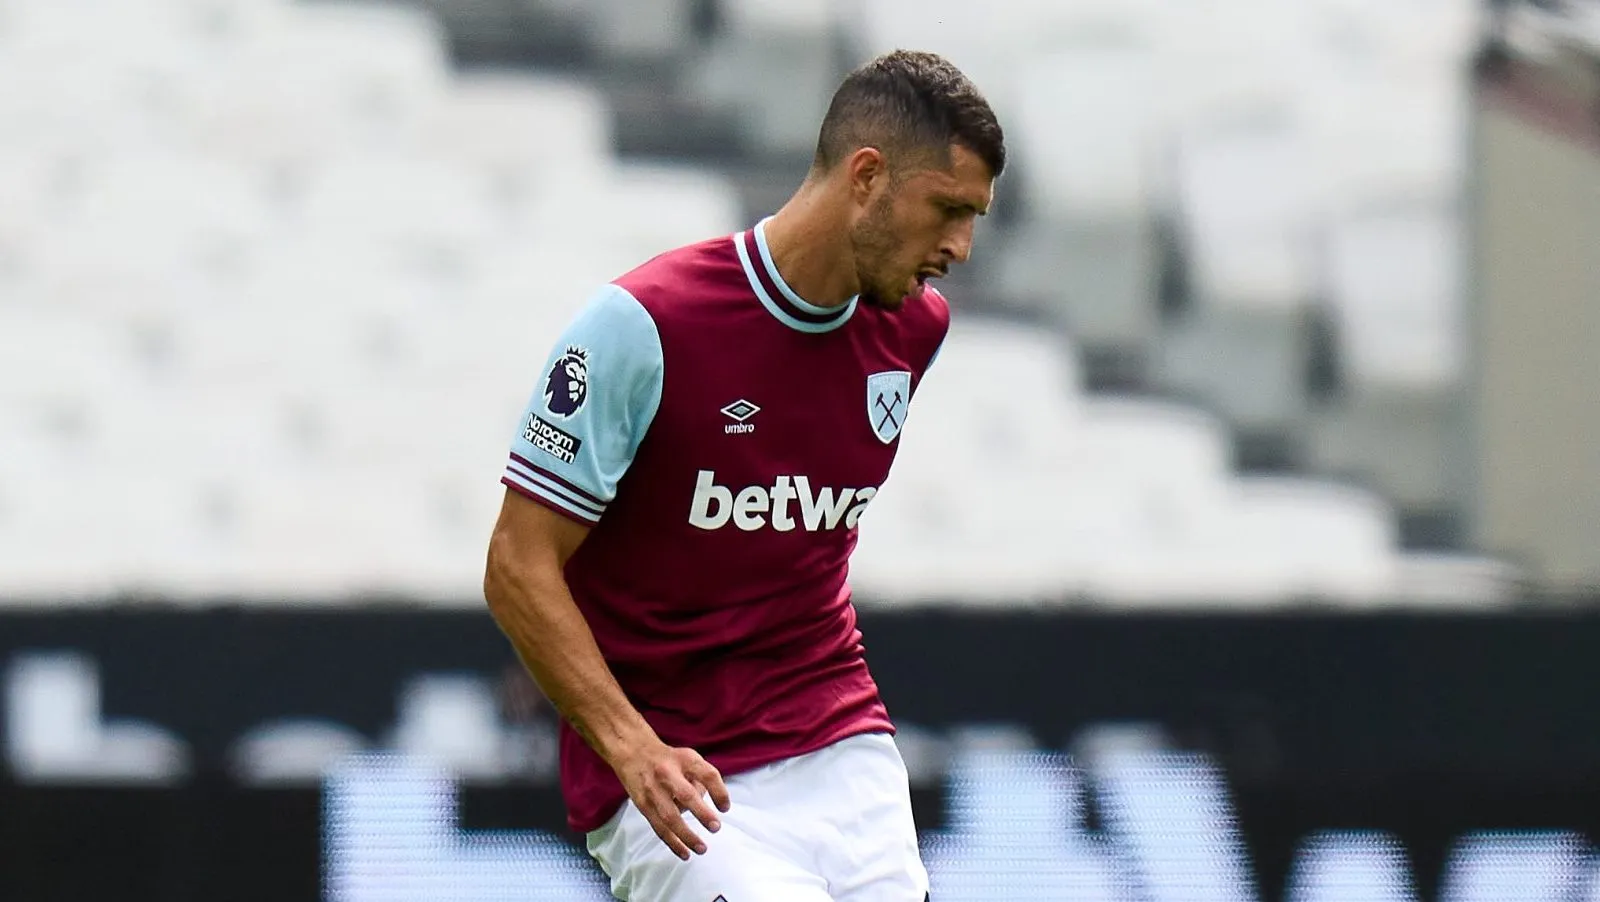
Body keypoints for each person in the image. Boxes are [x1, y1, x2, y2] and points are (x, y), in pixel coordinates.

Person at [482, 48, 1004, 901]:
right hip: (679, 778)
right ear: (866, 176)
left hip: (841, 746)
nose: (960, 246)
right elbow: (516, 565)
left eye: (975, 217)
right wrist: (631, 747)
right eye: (947, 208)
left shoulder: (915, 330)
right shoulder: (642, 325)